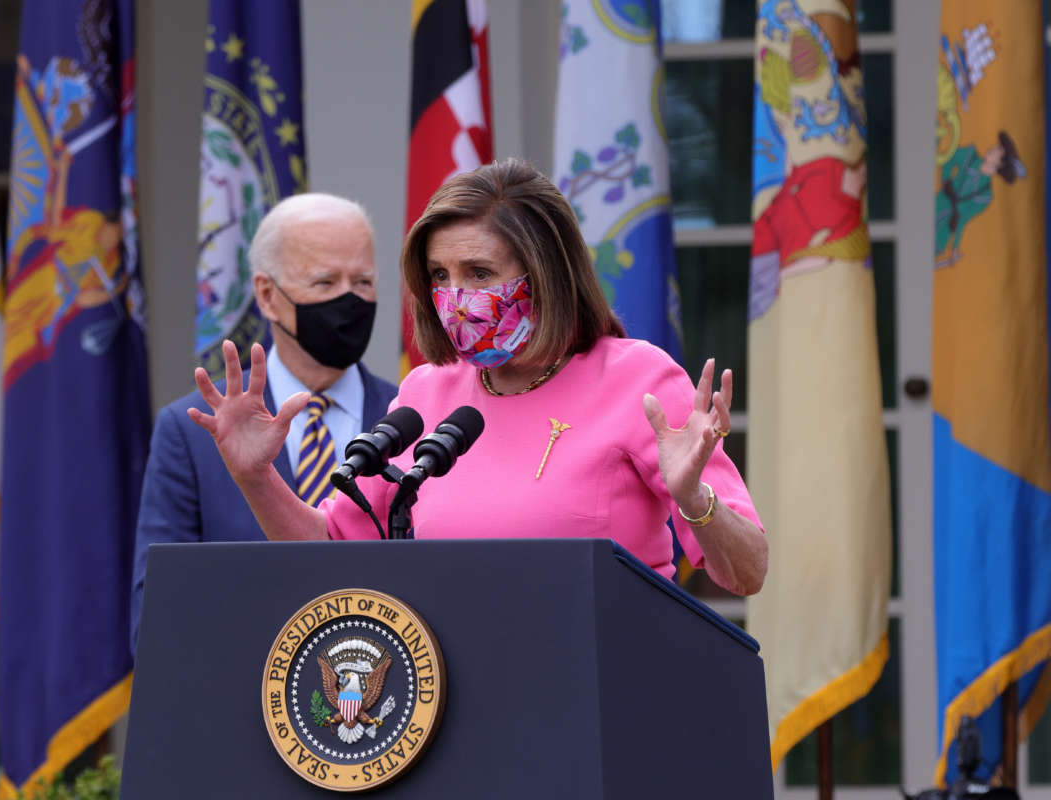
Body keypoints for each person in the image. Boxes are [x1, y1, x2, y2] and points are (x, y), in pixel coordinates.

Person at [189, 160, 768, 596]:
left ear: (546, 275)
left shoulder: (637, 379)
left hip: (600, 700)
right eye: (440, 275)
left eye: (480, 272)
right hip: (449, 713)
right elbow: (333, 557)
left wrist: (694, 498)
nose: (457, 298)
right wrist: (256, 476)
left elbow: (747, 572)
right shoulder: (426, 392)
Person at [130, 193, 398, 650]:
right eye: (325, 281)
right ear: (268, 295)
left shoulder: (410, 418)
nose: (349, 300)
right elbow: (156, 621)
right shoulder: (191, 430)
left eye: (363, 281)